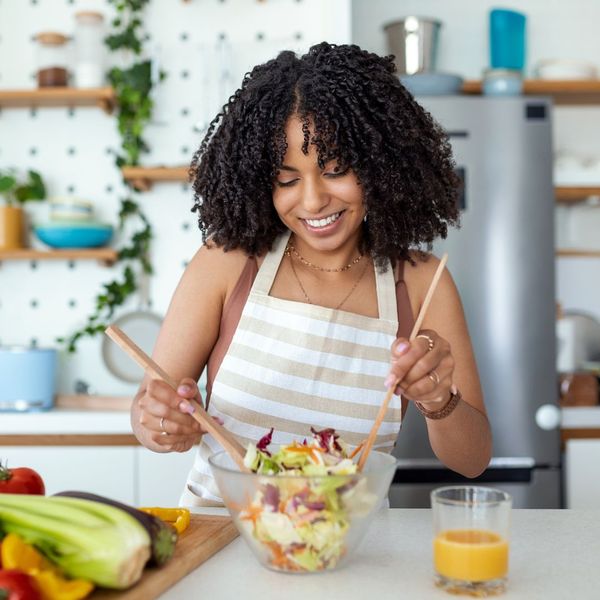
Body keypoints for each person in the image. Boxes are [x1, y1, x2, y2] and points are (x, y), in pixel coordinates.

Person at [130, 42, 492, 506]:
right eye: (287, 179)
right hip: (220, 546)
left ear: (382, 164)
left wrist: (439, 399)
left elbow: (473, 460)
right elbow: (148, 409)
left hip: (349, 551)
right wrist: (161, 423)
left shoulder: (422, 283)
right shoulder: (228, 262)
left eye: (336, 169)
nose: (313, 200)